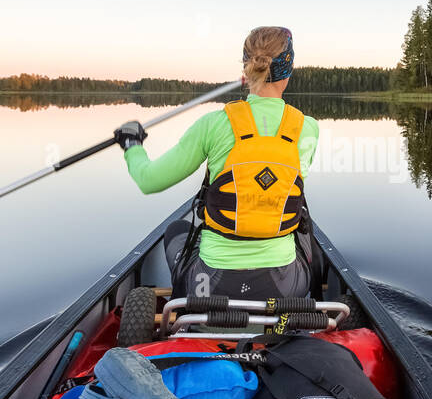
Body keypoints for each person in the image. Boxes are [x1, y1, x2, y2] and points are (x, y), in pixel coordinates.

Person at [114, 26, 321, 298]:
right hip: (283, 288)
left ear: (247, 69)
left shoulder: (213, 124)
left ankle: (187, 311)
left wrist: (132, 145)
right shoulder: (308, 128)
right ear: (290, 69)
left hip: (211, 285)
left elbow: (149, 181)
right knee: (306, 228)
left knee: (175, 230)